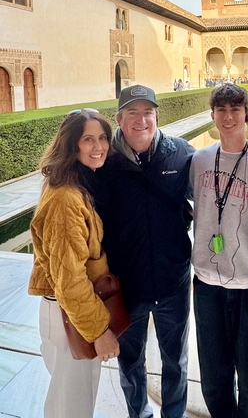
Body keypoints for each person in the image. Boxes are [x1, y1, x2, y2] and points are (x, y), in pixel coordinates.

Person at [97, 85, 195, 418]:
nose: (141, 120)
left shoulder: (180, 153)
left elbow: (216, 196)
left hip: (173, 282)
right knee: (130, 362)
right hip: (128, 287)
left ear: (157, 115)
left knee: (176, 362)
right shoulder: (104, 166)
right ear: (119, 119)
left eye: (148, 112)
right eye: (133, 113)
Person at [190, 84, 248, 418]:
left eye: (235, 110)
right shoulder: (198, 161)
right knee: (213, 377)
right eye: (221, 111)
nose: (228, 117)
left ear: (247, 114)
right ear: (212, 116)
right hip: (207, 285)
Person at [28, 109, 119, 418]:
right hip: (69, 314)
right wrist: (99, 331)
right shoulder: (66, 200)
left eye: (103, 138)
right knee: (74, 407)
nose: (99, 146)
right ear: (71, 144)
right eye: (88, 140)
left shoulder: (73, 184)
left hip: (66, 311)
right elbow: (70, 280)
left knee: (65, 402)